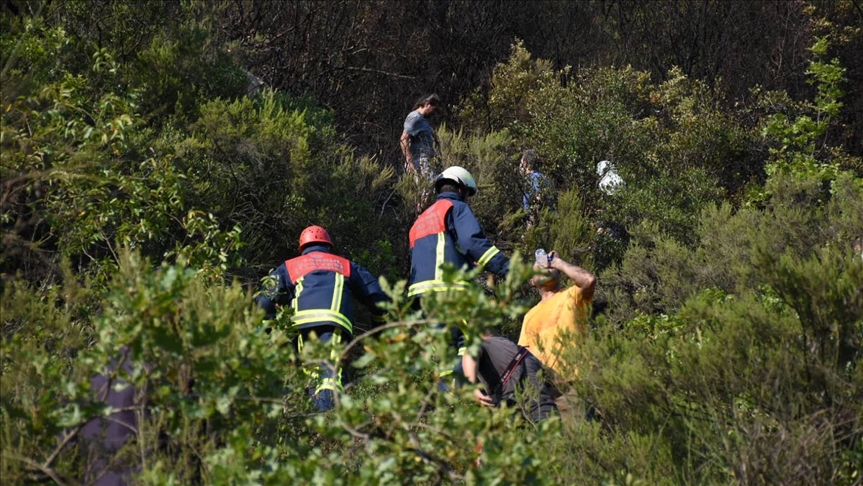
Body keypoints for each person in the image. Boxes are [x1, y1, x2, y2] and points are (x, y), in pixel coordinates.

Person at [256, 225, 389, 411]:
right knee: (329, 374)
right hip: (332, 324)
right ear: (329, 246)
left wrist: (262, 332)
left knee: (313, 374)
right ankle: (327, 423)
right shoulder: (345, 265)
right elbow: (377, 296)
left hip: (302, 328)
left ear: (302, 247)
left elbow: (264, 301)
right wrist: (380, 325)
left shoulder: (289, 267)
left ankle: (314, 426)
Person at [408, 166, 510, 378]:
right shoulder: (456, 207)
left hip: (420, 297)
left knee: (444, 354)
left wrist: (463, 261)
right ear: (461, 190)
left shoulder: (420, 220)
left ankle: (449, 402)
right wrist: (509, 270)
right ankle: (471, 397)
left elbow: (431, 252)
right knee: (471, 341)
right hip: (448, 290)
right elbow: (474, 243)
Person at [517, 251, 596, 418]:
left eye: (548, 265)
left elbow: (588, 280)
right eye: (538, 266)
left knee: (577, 439)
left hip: (574, 385)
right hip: (544, 394)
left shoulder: (571, 295)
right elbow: (524, 356)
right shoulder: (529, 315)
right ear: (532, 281)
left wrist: (558, 262)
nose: (544, 267)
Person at [462, 332, 559, 424]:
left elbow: (470, 353)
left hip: (518, 402)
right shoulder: (513, 347)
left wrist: (471, 386)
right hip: (542, 412)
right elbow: (556, 386)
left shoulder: (483, 344)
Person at [400, 94, 441, 186]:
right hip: (419, 161)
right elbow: (404, 139)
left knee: (428, 189)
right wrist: (409, 162)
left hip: (426, 161)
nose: (434, 112)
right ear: (427, 104)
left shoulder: (422, 119)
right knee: (426, 188)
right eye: (434, 109)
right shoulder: (414, 117)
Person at [519, 150, 552, 226]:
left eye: (521, 163)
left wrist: (531, 224)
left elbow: (539, 199)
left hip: (543, 223)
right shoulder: (540, 176)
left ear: (525, 163)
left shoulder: (535, 178)